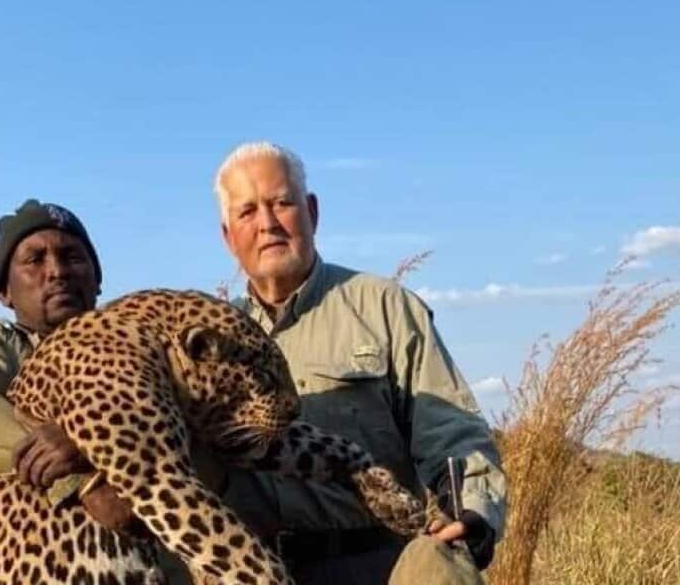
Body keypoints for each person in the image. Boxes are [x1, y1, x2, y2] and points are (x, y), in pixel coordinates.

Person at [213, 141, 508, 584]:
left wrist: (473, 512)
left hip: (375, 564)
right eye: (248, 212)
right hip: (252, 569)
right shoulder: (211, 336)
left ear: (311, 211)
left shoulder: (383, 307)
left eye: (282, 203)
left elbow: (450, 430)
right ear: (228, 235)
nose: (268, 224)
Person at [0, 199, 136, 543]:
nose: (57, 271)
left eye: (72, 257)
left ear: (97, 280)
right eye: (34, 260)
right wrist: (80, 469)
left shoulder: (132, 355)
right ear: (4, 292)